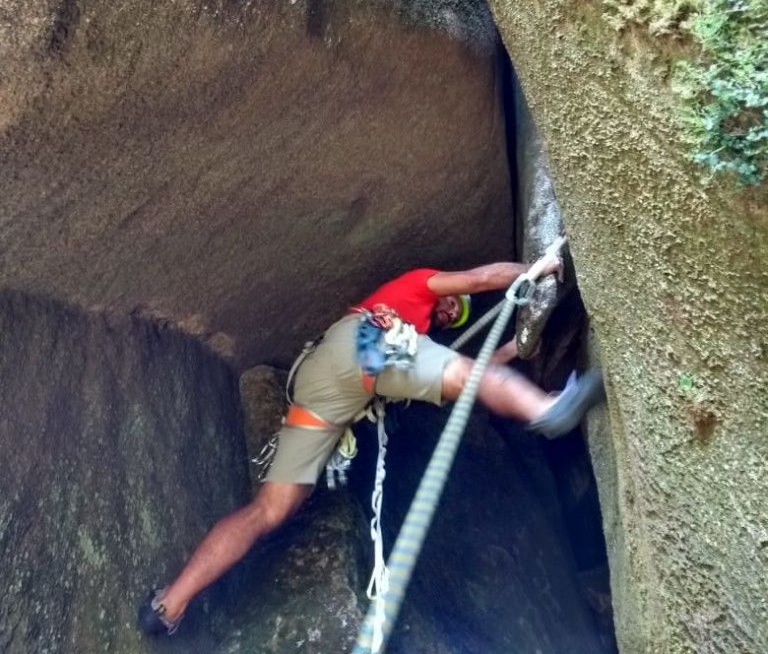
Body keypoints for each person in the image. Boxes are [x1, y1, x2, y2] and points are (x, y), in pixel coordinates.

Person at [137, 256, 604, 636]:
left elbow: (464, 370)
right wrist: (534, 268)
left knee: (271, 511)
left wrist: (514, 353)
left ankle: (169, 604)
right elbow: (481, 280)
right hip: (361, 343)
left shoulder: (412, 341)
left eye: (454, 317)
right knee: (461, 374)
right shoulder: (418, 285)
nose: (449, 314)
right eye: (453, 307)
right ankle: (546, 410)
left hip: (320, 394)